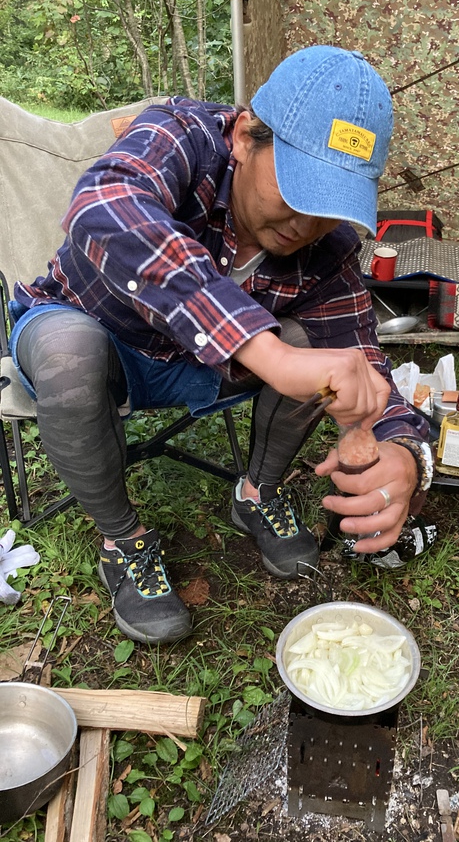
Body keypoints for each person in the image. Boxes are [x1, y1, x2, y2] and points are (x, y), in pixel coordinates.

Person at [9, 45, 432, 645]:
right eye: (296, 187)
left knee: (318, 348)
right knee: (68, 354)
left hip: (204, 367)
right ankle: (122, 540)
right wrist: (267, 352)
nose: (306, 224)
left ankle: (257, 492)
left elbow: (361, 359)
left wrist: (406, 454)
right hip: (90, 333)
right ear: (243, 137)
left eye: (328, 204)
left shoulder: (328, 250)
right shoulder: (179, 134)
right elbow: (105, 207)